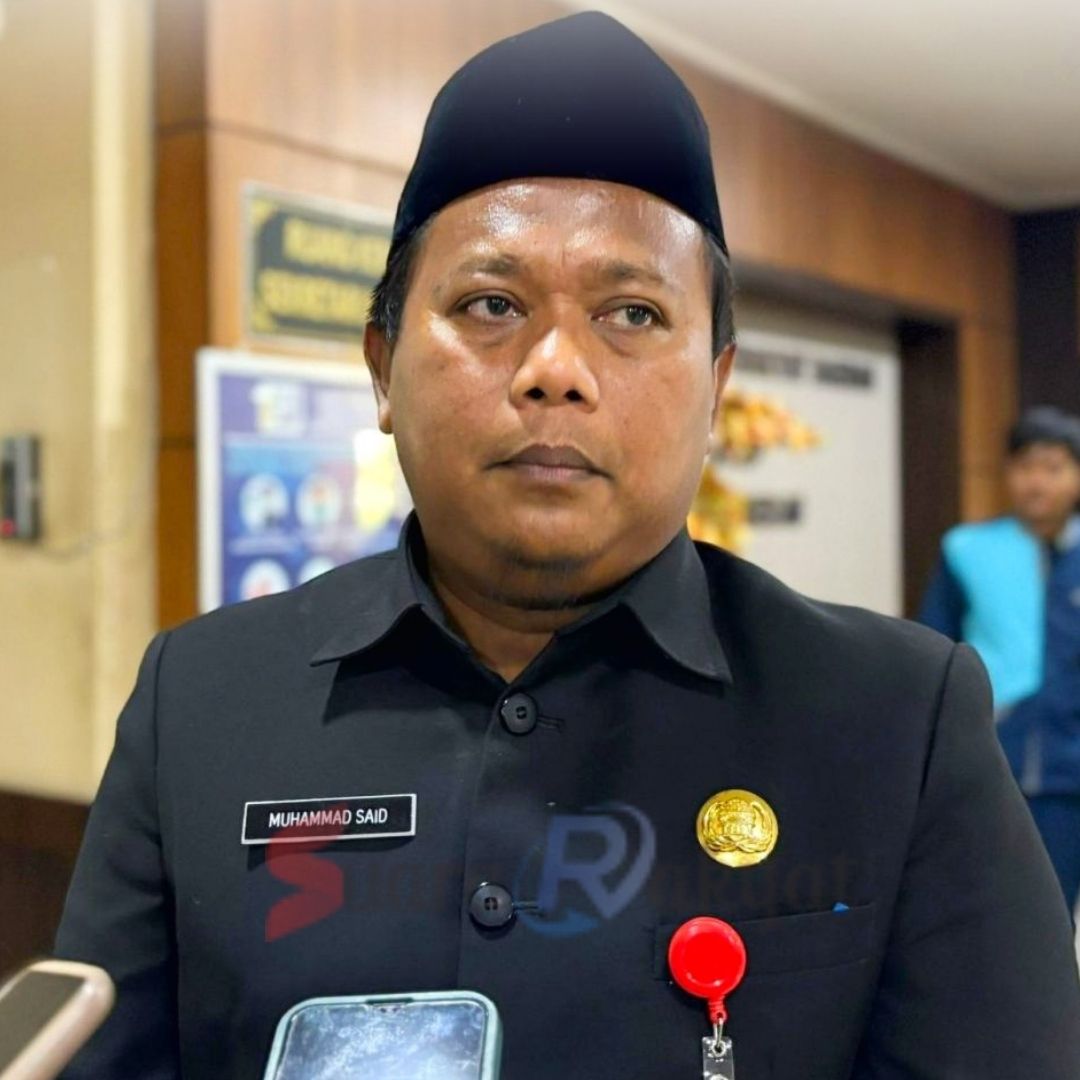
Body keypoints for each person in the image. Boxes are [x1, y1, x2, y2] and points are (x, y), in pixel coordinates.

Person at [55, 12, 1080, 1079]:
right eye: (490, 304)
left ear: (716, 389)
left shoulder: (895, 721)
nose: (556, 368)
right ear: (383, 369)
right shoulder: (201, 701)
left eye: (631, 314)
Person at [920, 405, 1080, 914]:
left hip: (1071, 771)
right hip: (993, 759)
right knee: (993, 909)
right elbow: (934, 645)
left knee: (1058, 912)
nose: (1038, 482)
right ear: (1008, 473)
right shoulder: (969, 549)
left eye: (1053, 467)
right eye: (1026, 466)